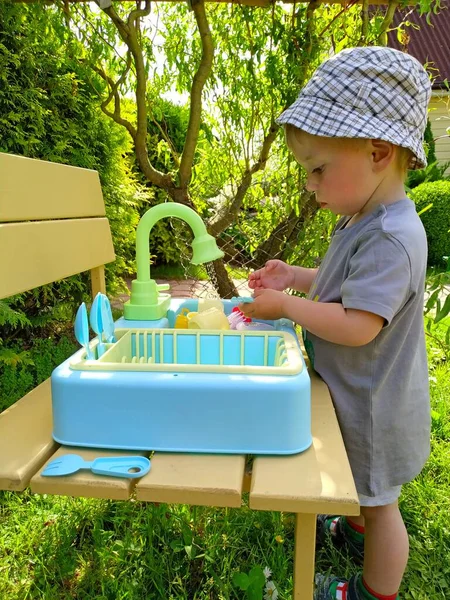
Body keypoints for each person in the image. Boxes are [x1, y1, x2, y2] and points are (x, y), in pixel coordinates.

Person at [239, 46, 431, 600]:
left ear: (377, 150)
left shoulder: (392, 236)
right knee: (365, 494)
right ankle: (354, 526)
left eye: (318, 169)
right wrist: (294, 276)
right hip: (360, 393)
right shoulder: (365, 218)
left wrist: (286, 308)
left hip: (375, 408)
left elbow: (357, 324)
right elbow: (341, 280)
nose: (310, 184)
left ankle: (372, 590)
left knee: (381, 502)